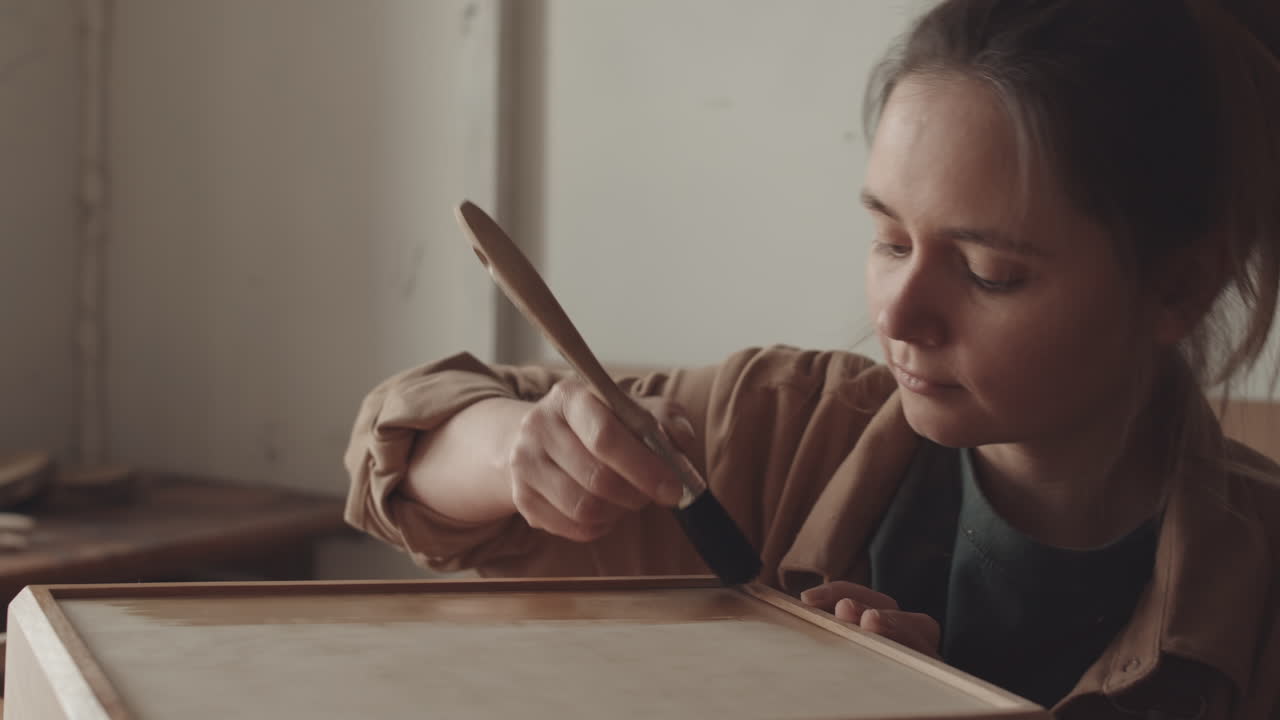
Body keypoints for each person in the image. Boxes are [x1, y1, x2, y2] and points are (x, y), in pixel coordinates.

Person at [343, 0, 1280, 716]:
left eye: (989, 272)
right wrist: (518, 450)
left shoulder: (1254, 596)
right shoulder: (777, 427)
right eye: (888, 240)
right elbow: (401, 447)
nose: (899, 314)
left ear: (1178, 289)